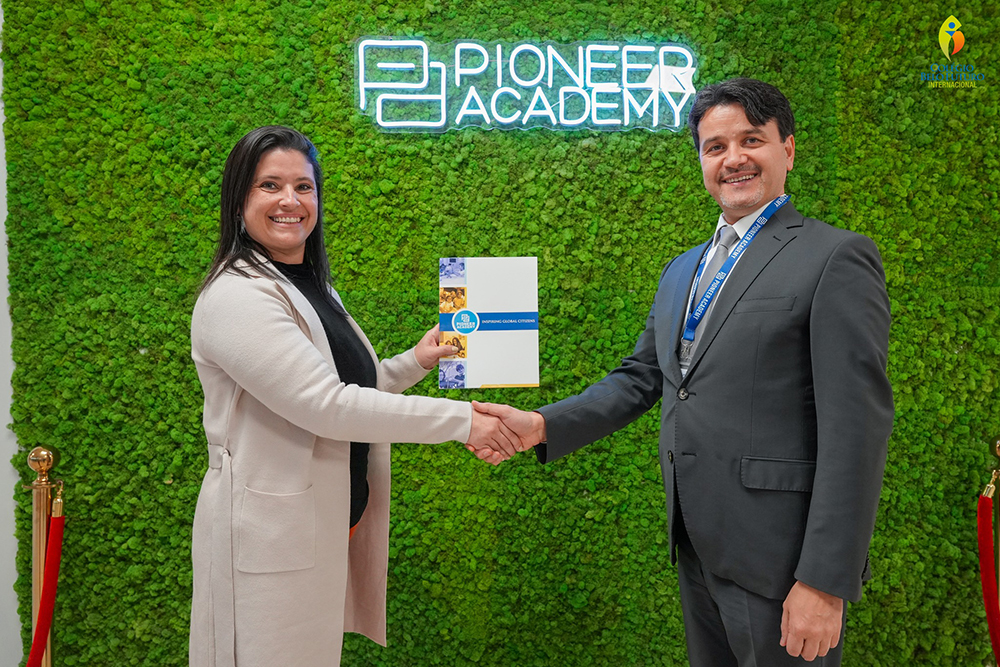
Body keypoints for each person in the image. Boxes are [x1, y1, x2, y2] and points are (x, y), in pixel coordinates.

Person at [475, 78, 894, 665]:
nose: (733, 158)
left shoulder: (835, 257)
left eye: (752, 140)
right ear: (701, 161)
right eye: (715, 147)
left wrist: (825, 581)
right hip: (698, 545)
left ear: (788, 149)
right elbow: (641, 377)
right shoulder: (683, 270)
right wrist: (542, 425)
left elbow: (857, 429)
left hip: (782, 561)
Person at [188, 126, 521, 667]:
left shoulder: (310, 287)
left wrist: (415, 362)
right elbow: (327, 406)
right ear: (238, 199)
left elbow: (346, 392)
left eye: (304, 186)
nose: (291, 200)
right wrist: (465, 421)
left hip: (324, 525)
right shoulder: (236, 295)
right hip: (268, 542)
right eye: (269, 185)